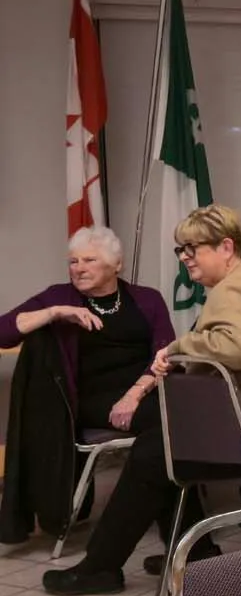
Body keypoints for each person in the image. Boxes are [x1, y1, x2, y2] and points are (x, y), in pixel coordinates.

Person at [42, 205, 241, 596]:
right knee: (163, 446)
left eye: (193, 248)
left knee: (156, 452)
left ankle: (100, 568)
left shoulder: (235, 288)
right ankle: (193, 553)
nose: (185, 258)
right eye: (181, 250)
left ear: (226, 247)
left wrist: (177, 346)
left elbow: (237, 348)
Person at [0, 227, 174, 544]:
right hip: (90, 400)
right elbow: (2, 331)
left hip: (144, 390)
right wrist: (54, 313)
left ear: (116, 264)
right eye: (73, 261)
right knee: (166, 425)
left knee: (175, 418)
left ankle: (169, 527)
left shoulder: (147, 299)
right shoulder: (59, 296)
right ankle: (149, 531)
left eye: (90, 260)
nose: (78, 268)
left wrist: (134, 394)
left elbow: (166, 352)